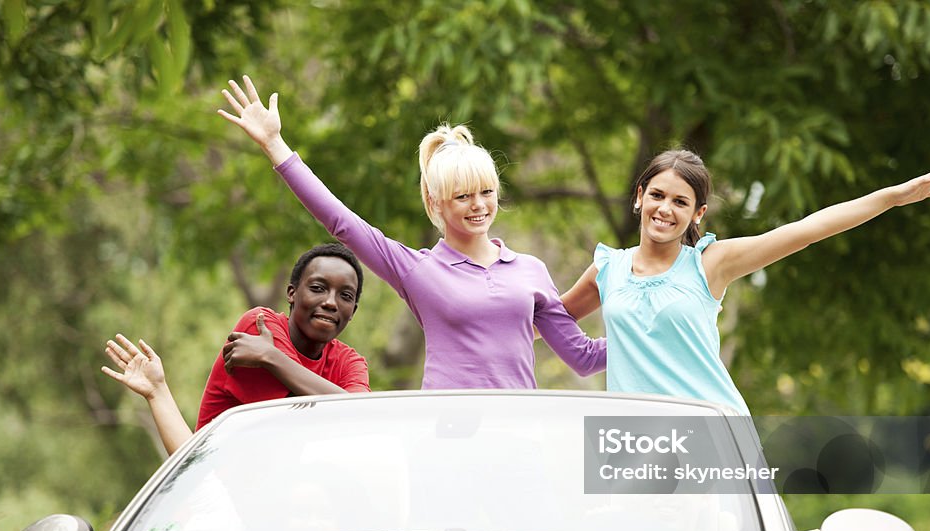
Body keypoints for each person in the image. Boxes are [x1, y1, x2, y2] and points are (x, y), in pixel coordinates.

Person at [216, 75, 605, 389]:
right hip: (448, 439)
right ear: (436, 204)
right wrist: (274, 144)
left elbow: (583, 357)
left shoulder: (531, 270)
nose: (479, 205)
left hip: (519, 438)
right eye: (463, 196)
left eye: (486, 192)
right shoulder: (418, 269)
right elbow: (342, 223)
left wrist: (662, 338)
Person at [560, 148, 930, 414]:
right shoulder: (607, 269)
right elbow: (540, 321)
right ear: (639, 196)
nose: (665, 209)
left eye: (680, 202)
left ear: (698, 214)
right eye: (658, 195)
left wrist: (891, 197)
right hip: (631, 442)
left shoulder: (710, 264)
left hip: (707, 434)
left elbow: (807, 229)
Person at [103, 243, 370, 456]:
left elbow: (362, 417)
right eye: (318, 288)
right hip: (221, 489)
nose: (331, 303)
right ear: (292, 293)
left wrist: (270, 356)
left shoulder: (349, 361)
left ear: (353, 312)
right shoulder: (259, 326)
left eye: (345, 296)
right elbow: (313, 416)